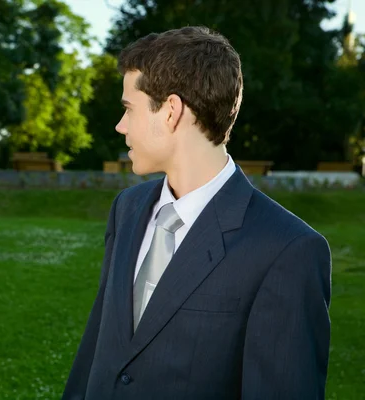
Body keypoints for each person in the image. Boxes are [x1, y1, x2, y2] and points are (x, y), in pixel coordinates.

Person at [63, 26, 331, 399]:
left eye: (128, 109)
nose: (120, 126)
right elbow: (96, 354)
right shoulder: (127, 209)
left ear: (171, 111)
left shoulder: (287, 250)